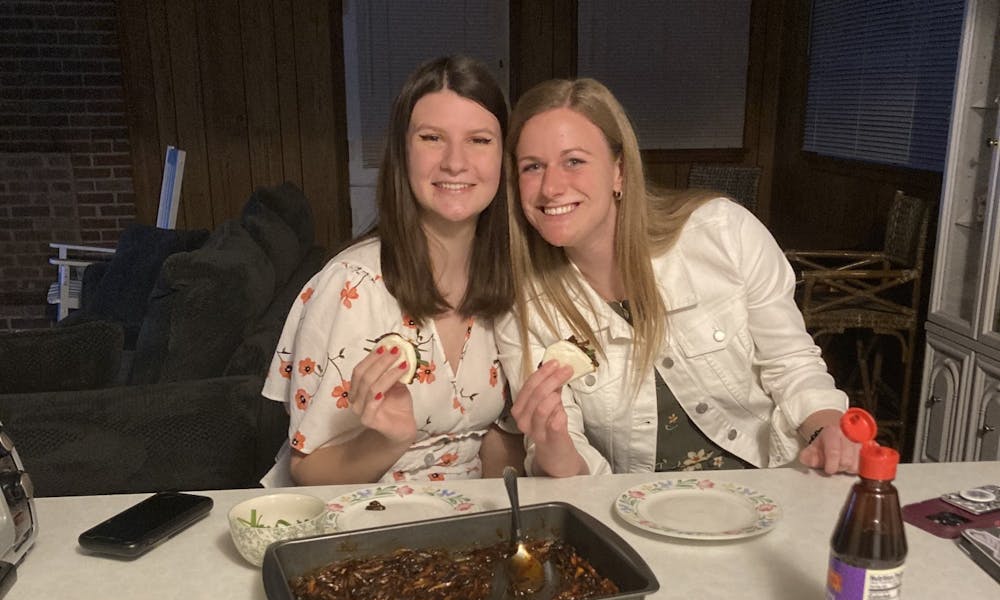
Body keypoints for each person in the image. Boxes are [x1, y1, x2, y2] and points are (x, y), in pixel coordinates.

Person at [496, 78, 860, 478]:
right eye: (533, 167)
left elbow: (791, 364)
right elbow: (572, 467)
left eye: (574, 161)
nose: (551, 187)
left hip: (768, 486)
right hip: (634, 509)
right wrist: (552, 448)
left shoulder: (723, 232)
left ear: (619, 171)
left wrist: (826, 431)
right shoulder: (523, 305)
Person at [261, 55, 523, 486]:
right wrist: (386, 440)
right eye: (432, 137)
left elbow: (493, 445)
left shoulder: (513, 281)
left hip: (466, 523)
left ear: (503, 159)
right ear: (402, 153)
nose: (455, 162)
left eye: (479, 140)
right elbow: (308, 471)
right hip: (362, 518)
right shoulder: (352, 287)